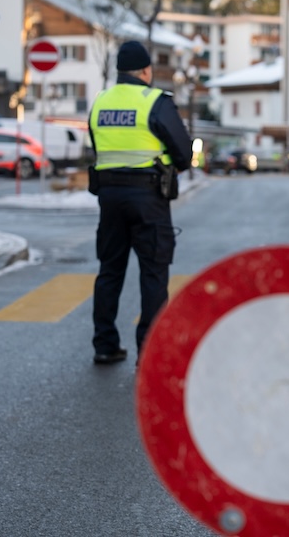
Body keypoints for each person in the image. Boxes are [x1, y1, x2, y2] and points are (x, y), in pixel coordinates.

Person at [88, 41, 192, 365]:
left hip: (109, 197)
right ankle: (148, 352)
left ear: (120, 71)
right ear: (146, 71)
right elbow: (184, 153)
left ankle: (105, 344)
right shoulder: (154, 101)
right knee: (153, 272)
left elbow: (97, 145)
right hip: (148, 196)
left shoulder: (101, 101)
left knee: (110, 270)